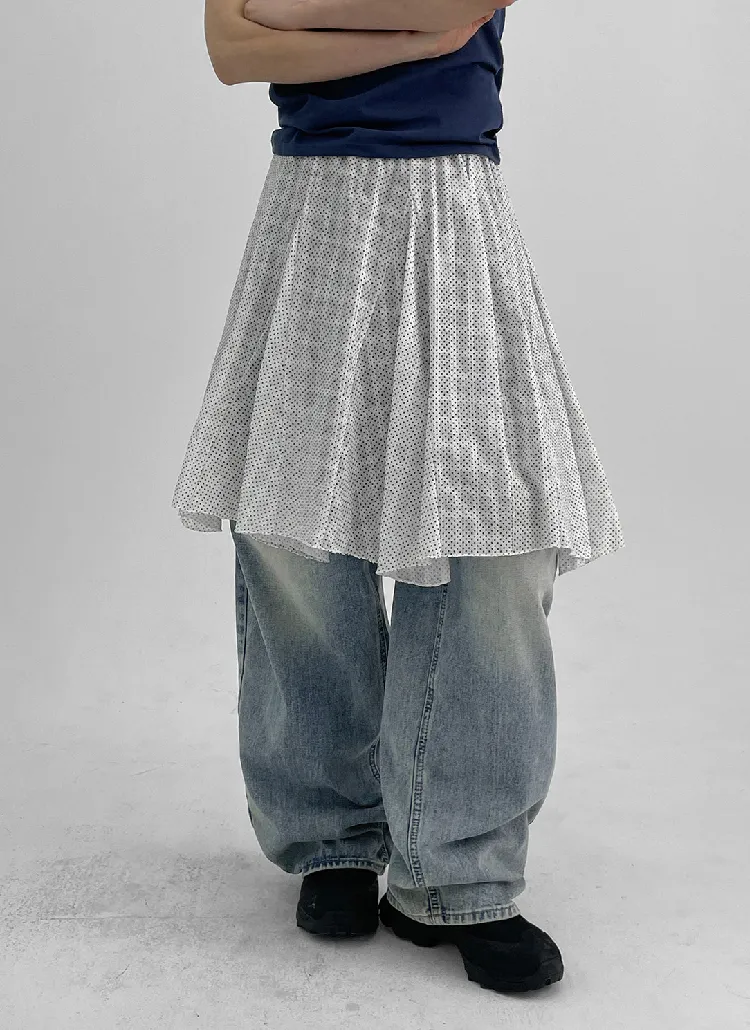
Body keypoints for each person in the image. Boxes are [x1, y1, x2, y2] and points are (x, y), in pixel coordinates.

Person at [172, 0, 625, 994]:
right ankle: (331, 837)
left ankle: (458, 873)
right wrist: (407, 32)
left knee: (491, 540)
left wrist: (291, 10)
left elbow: (446, 12)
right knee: (294, 532)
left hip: (452, 200)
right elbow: (229, 47)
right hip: (311, 205)